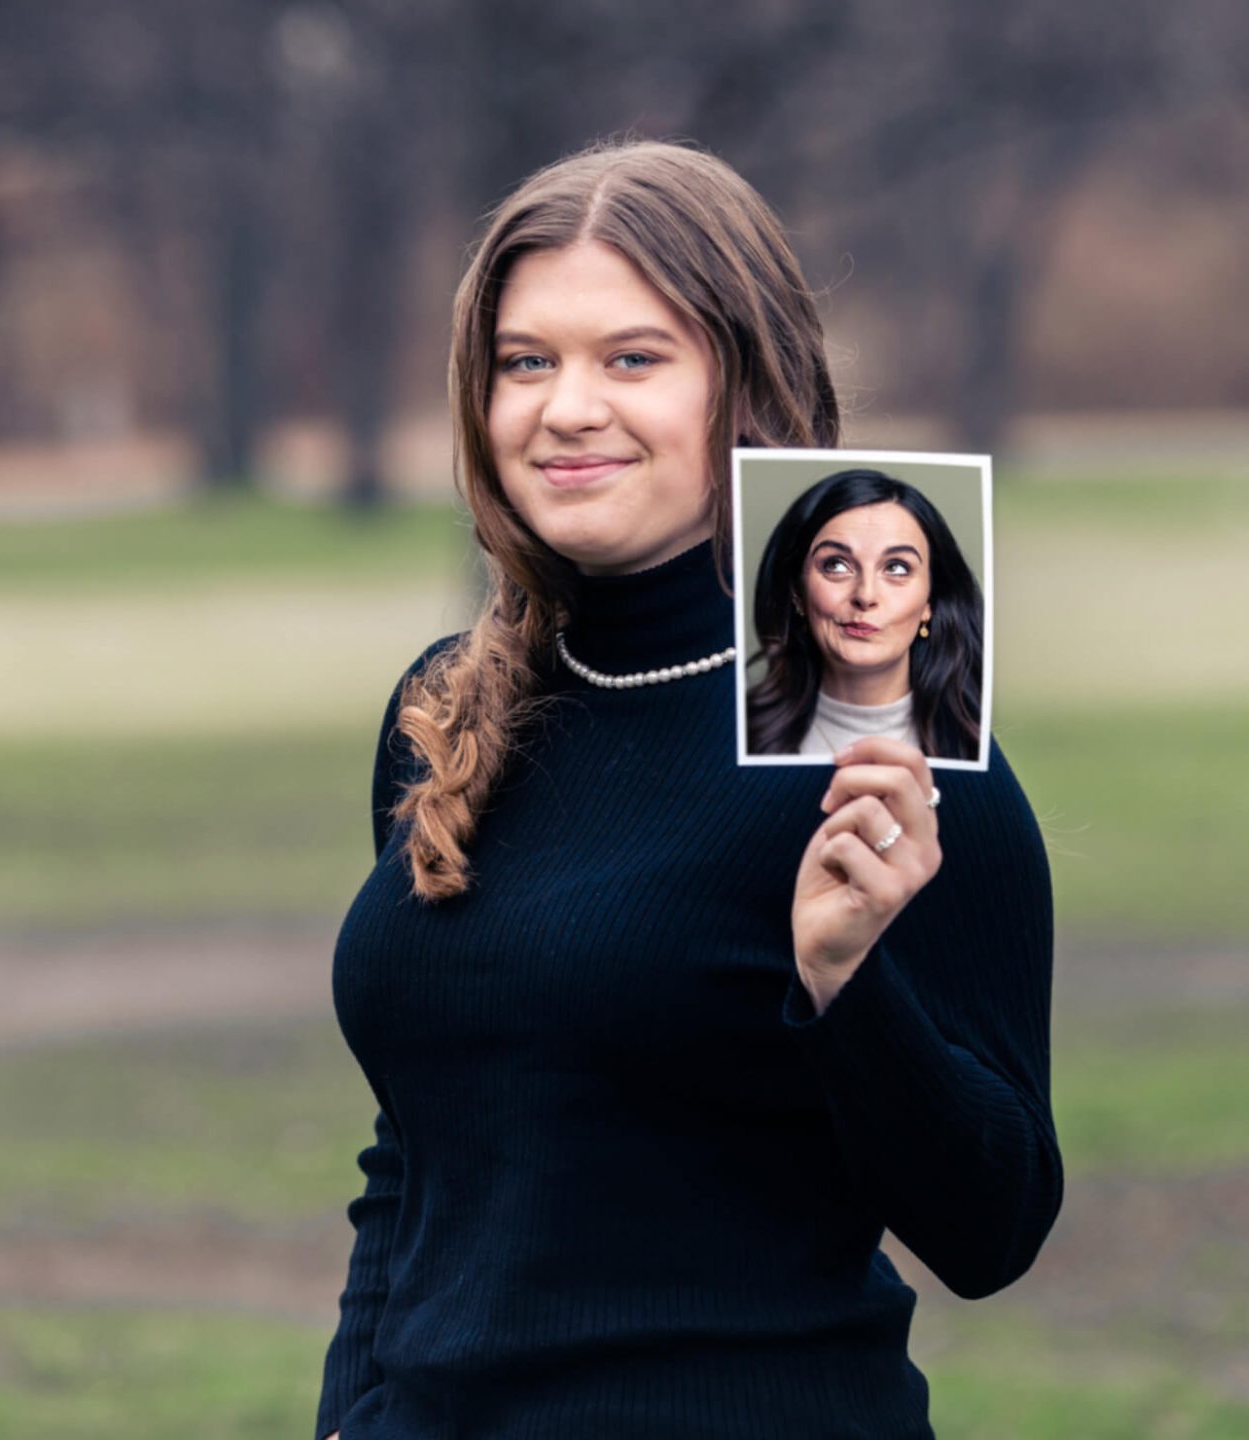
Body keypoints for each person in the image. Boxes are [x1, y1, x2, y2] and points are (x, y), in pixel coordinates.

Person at [320, 138, 1060, 1440]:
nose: (566, 408)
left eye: (632, 359)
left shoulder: (878, 750)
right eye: (524, 362)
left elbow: (991, 1230)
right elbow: (417, 1158)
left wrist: (845, 985)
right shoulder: (447, 707)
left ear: (747, 384)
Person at [744, 468, 986, 764]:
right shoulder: (740, 735)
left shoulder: (975, 746)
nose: (865, 595)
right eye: (836, 565)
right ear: (797, 593)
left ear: (930, 602)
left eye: (896, 568)